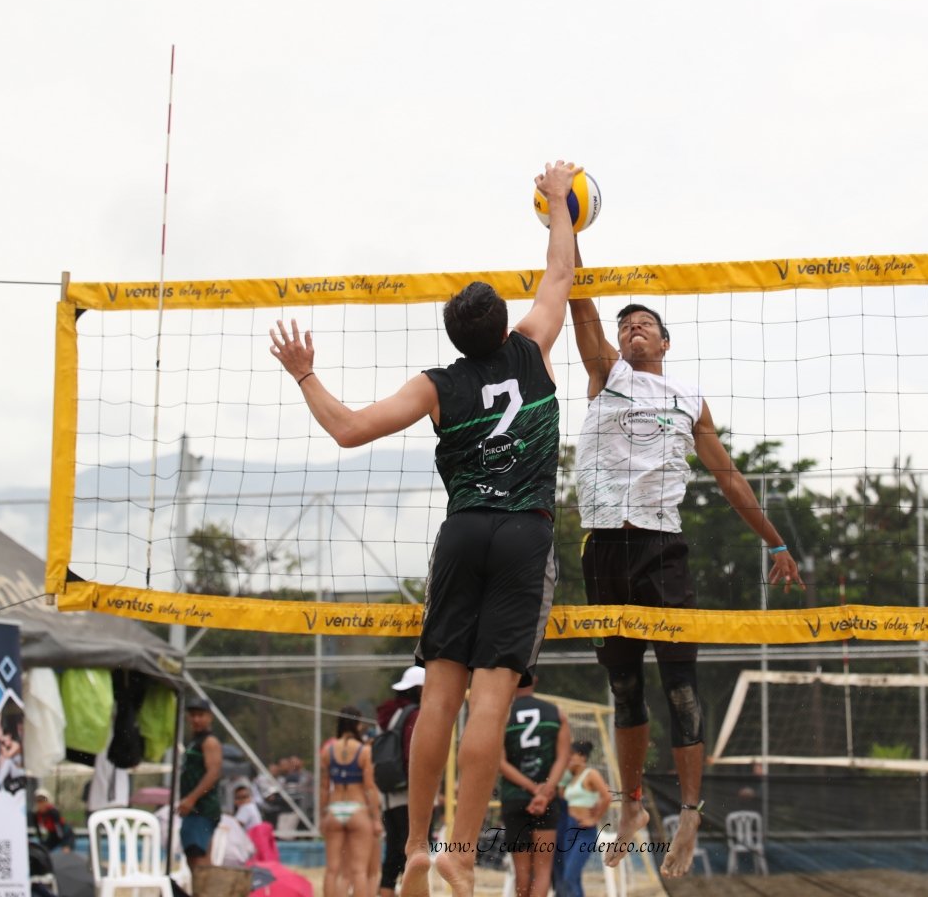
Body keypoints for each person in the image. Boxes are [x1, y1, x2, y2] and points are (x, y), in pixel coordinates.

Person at [269, 159, 579, 897]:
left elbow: (348, 429)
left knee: (439, 696)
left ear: (455, 336)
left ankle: (414, 846)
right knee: (490, 702)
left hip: (465, 532)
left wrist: (305, 373)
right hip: (524, 534)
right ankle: (461, 854)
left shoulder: (436, 386)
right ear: (502, 323)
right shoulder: (532, 347)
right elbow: (560, 271)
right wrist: (560, 202)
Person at [568, 278, 805, 876]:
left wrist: (775, 541)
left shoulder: (689, 396)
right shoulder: (606, 375)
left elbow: (727, 476)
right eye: (625, 324)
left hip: (661, 547)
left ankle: (691, 813)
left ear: (665, 342)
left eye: (644, 323)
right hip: (604, 546)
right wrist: (566, 238)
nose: (633, 327)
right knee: (625, 688)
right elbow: (581, 306)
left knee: (681, 689)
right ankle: (631, 805)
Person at [497, 678, 570, 897]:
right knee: (542, 870)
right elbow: (563, 757)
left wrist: (531, 788)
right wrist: (545, 790)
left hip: (514, 797)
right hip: (547, 799)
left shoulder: (502, 715)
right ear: (534, 680)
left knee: (522, 871)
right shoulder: (556, 713)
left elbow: (500, 762)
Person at [319, 707, 380, 897]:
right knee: (359, 870)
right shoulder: (364, 751)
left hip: (335, 808)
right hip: (358, 808)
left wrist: (322, 815)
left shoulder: (328, 750)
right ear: (358, 724)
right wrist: (376, 818)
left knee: (332, 870)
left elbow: (324, 787)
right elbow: (370, 787)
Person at [375, 665, 424, 897]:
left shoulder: (387, 715)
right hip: (410, 794)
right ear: (419, 690)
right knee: (413, 854)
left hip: (388, 793)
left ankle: (386, 891)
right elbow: (413, 755)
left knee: (393, 853)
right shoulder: (415, 714)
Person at [557, 742, 611, 897]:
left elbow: (607, 796)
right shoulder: (572, 778)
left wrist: (595, 819)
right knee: (573, 877)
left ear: (582, 757)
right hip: (570, 828)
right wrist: (566, 775)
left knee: (569, 876)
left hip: (584, 831)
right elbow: (562, 795)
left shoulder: (591, 774)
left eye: (572, 755)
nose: (568, 758)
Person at [177, 697, 223, 871]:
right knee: (194, 856)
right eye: (193, 715)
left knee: (198, 857)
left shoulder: (209, 742)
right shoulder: (194, 741)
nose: (196, 719)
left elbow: (213, 773)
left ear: (209, 717)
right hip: (195, 810)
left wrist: (191, 799)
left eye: (200, 715)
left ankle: (203, 887)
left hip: (202, 809)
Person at [30, 787, 76, 852]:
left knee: (66, 850)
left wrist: (64, 844)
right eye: (38, 801)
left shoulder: (53, 812)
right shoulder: (35, 814)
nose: (41, 803)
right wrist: (41, 842)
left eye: (43, 801)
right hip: (53, 834)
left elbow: (59, 829)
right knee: (43, 850)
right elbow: (38, 830)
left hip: (65, 833)